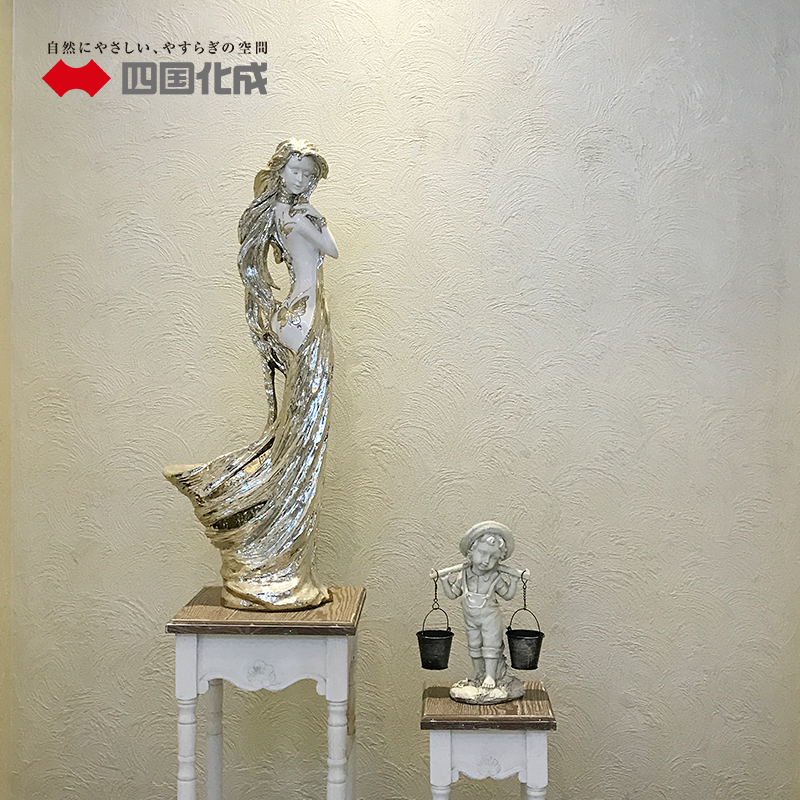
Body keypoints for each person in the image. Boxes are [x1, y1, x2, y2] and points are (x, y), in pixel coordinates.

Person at [164, 139, 337, 611]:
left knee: (298, 428)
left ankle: (257, 529)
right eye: (296, 171)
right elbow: (332, 250)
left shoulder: (281, 213)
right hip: (303, 316)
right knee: (306, 431)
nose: (303, 180)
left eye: (309, 174)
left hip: (292, 313)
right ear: (280, 172)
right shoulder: (295, 216)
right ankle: (271, 557)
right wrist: (316, 218)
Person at [438, 521, 523, 702]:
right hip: (470, 619)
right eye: (483, 553)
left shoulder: (495, 577)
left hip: (490, 618)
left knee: (491, 646)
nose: (486, 561)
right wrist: (444, 581)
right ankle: (478, 672)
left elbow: (507, 595)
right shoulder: (463, 575)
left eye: (493, 557)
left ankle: (490, 675)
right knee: (474, 645)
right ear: (471, 552)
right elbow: (452, 594)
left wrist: (515, 582)